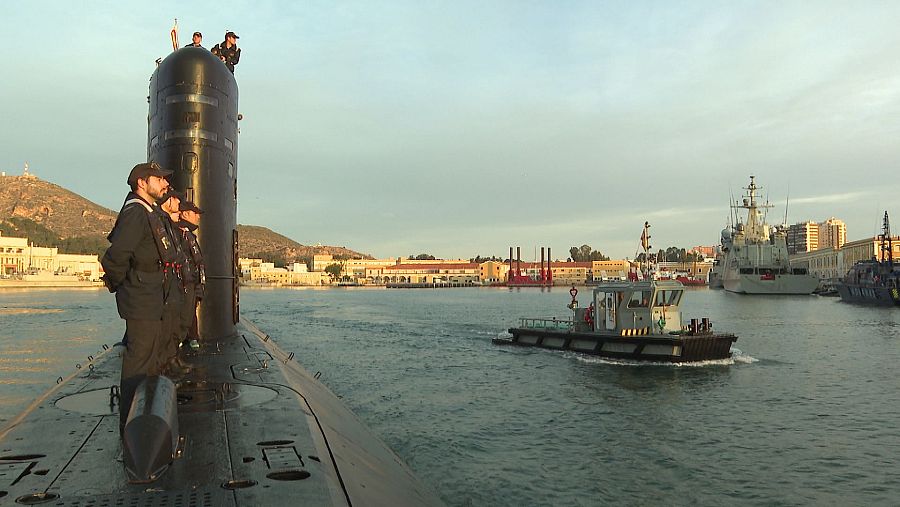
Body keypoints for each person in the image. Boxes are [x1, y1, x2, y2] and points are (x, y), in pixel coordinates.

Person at [100, 162, 179, 434]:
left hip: (150, 295)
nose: (165, 184)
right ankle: (130, 426)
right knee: (138, 365)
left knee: (148, 362)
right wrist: (126, 287)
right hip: (141, 297)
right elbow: (115, 257)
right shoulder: (135, 212)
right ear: (142, 183)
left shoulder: (148, 212)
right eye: (159, 179)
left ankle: (143, 417)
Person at [157, 190, 189, 375]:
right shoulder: (153, 220)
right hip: (161, 287)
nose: (179, 204)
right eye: (176, 199)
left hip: (176, 285)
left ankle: (171, 360)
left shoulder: (168, 226)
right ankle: (161, 369)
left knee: (174, 328)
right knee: (164, 331)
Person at [177, 201, 205, 350]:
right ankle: (180, 340)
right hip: (185, 285)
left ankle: (192, 337)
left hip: (192, 285)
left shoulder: (189, 234)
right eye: (196, 214)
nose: (198, 218)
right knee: (184, 312)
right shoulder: (180, 233)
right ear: (186, 213)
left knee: (190, 313)